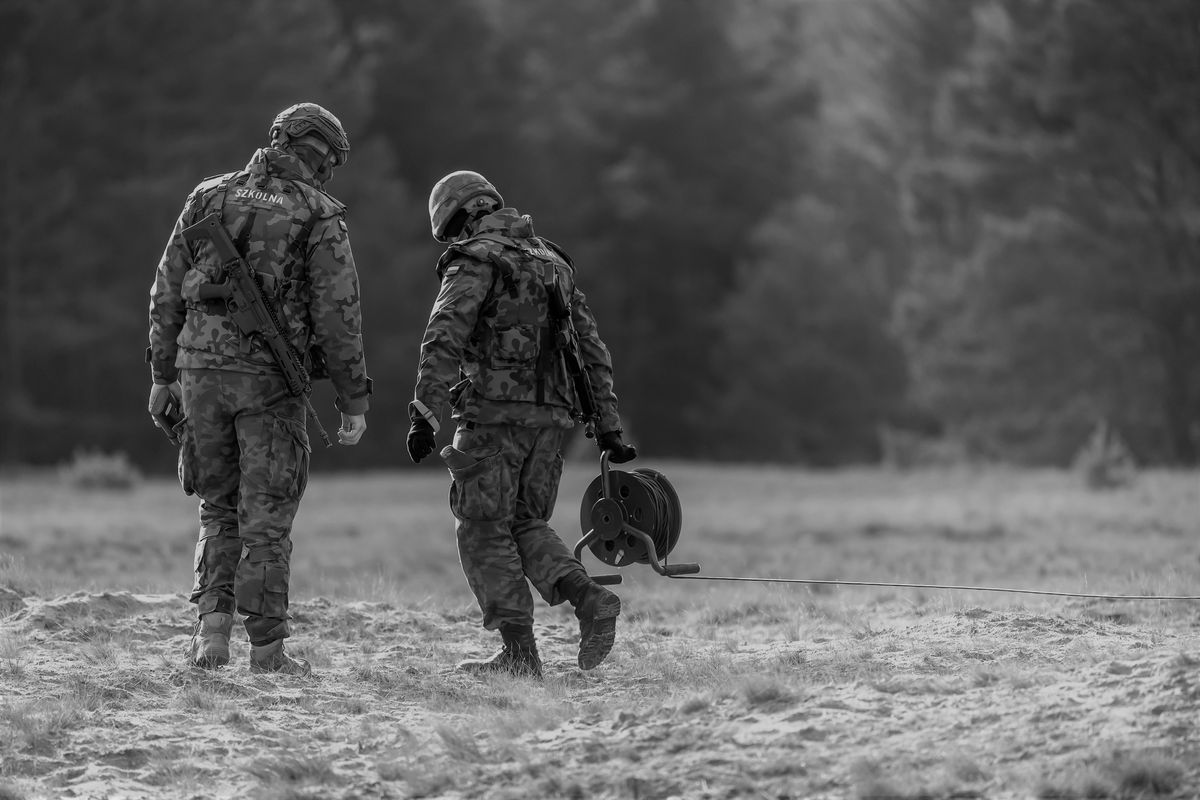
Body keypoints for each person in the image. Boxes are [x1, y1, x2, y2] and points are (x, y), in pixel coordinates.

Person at [147, 102, 372, 675]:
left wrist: (160, 376)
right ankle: (268, 652)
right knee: (266, 518)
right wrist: (353, 399)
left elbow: (166, 291)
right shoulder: (319, 214)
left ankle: (211, 639)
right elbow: (338, 316)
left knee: (218, 510)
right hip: (269, 384)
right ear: (324, 160)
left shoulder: (208, 196)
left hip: (198, 378)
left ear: (277, 138)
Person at [406, 170, 638, 678]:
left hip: (491, 417)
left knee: (484, 528)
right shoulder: (554, 263)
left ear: (464, 216)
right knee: (525, 522)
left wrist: (426, 413)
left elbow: (443, 336)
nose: (457, 240)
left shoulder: (475, 260)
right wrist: (609, 426)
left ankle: (519, 655)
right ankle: (589, 598)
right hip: (553, 421)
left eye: (454, 230)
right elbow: (592, 351)